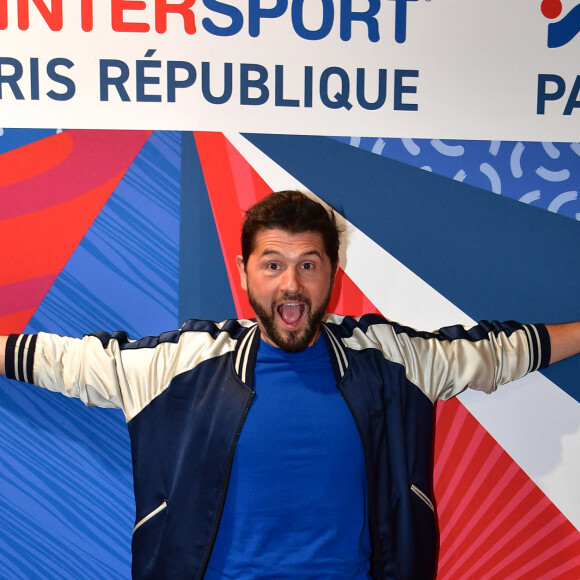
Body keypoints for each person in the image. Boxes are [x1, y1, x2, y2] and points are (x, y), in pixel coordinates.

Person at [1, 190, 579, 580]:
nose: (292, 285)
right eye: (273, 263)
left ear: (333, 270)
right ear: (243, 268)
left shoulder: (391, 360)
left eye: (309, 263)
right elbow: (60, 361)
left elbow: (498, 352)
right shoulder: (179, 365)